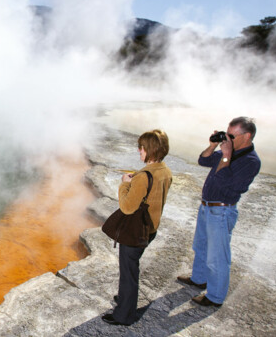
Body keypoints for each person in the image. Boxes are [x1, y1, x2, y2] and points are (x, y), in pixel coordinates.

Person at [177, 116, 261, 307]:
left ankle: (215, 297)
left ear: (247, 136)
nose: (227, 139)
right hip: (207, 207)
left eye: (232, 135)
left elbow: (225, 181)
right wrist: (212, 145)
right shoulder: (231, 152)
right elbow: (203, 160)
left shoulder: (250, 161)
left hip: (222, 212)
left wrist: (225, 155)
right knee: (201, 246)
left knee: (217, 257)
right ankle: (199, 279)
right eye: (227, 134)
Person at [102, 129, 173, 326]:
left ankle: (124, 315)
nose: (139, 152)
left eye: (141, 148)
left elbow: (127, 207)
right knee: (131, 268)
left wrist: (125, 185)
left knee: (128, 271)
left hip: (135, 232)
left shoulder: (143, 177)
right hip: (151, 229)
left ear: (150, 150)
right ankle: (126, 300)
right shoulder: (164, 171)